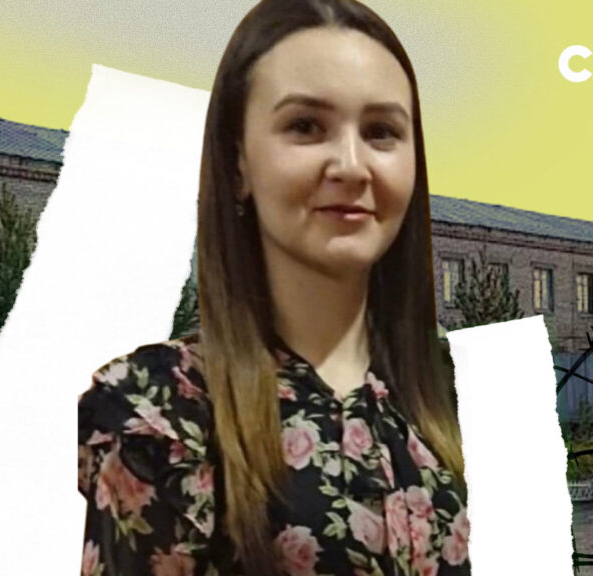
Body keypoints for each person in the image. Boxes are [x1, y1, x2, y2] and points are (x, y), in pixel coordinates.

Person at [78, 0, 469, 574]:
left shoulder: (452, 393)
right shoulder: (163, 409)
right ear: (238, 162)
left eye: (382, 132)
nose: (351, 165)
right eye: (306, 126)